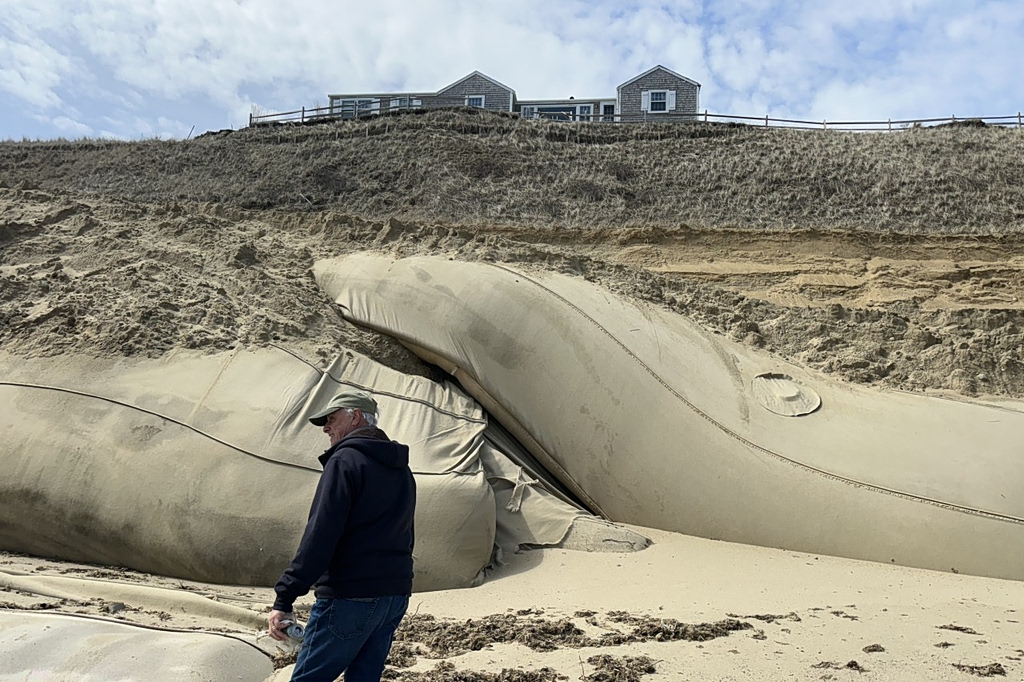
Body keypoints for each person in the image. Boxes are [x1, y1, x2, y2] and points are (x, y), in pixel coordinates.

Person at [268, 389, 416, 682]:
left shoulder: (345, 461)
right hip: (395, 595)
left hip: (351, 594)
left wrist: (285, 597)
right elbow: (405, 533)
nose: (326, 428)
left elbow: (321, 535)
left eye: (332, 419)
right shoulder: (402, 468)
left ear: (356, 416)